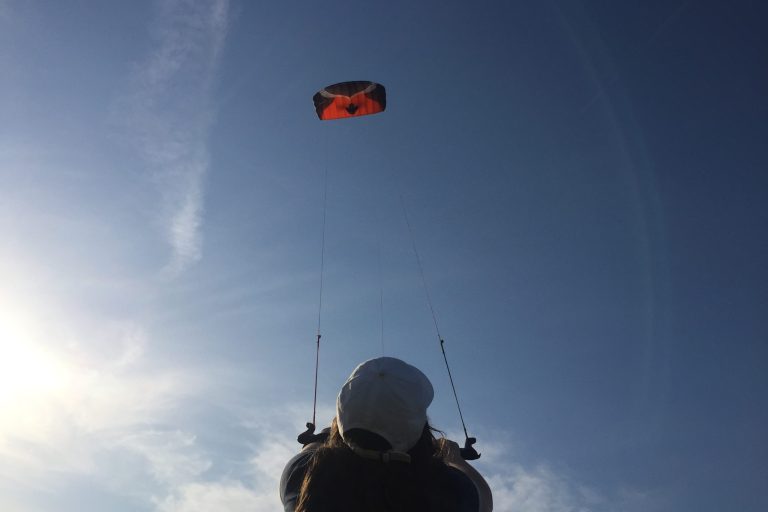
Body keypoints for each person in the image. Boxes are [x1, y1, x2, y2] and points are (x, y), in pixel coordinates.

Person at [280, 356, 492, 512]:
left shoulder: (303, 475)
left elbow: (312, 450)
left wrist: (328, 434)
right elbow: (483, 499)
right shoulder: (447, 491)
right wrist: (454, 457)